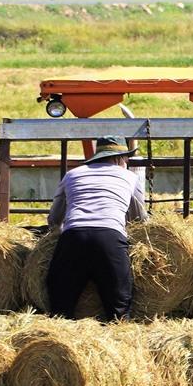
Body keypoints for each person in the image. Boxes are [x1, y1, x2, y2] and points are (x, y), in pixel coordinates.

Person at [45, 135, 147, 321]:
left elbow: (54, 218)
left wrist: (56, 233)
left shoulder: (72, 174)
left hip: (73, 237)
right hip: (109, 238)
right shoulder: (130, 177)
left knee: (60, 309)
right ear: (120, 158)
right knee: (119, 310)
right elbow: (139, 218)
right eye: (126, 158)